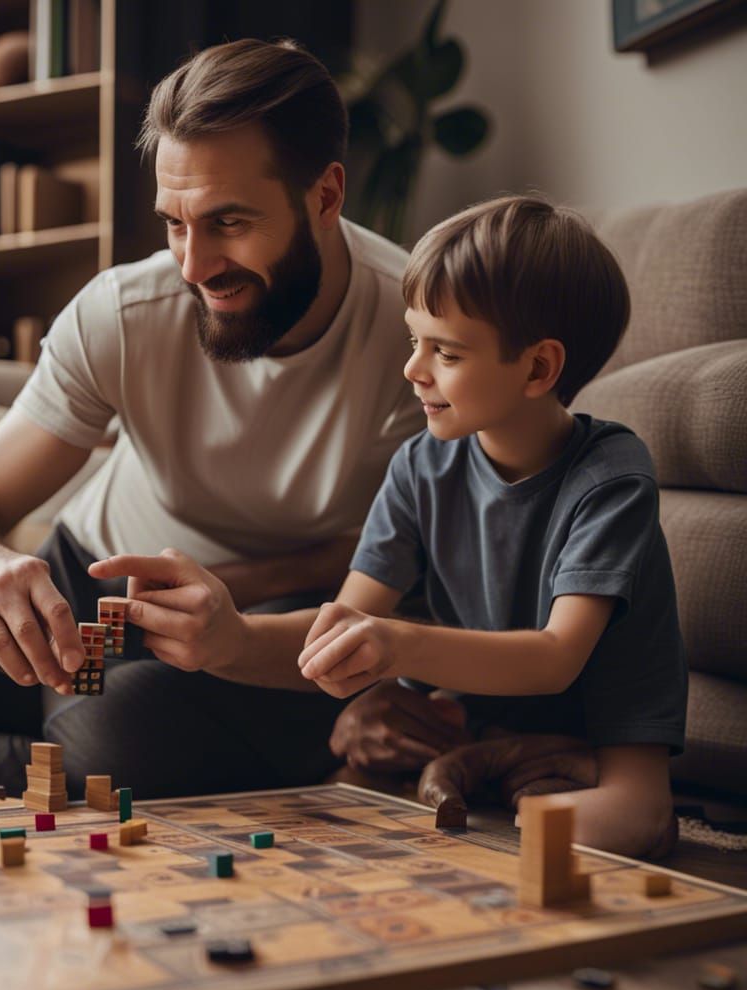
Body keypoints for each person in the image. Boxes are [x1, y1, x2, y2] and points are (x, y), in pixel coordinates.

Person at [0, 39, 425, 796]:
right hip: (85, 585)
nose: (193, 268)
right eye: (174, 223)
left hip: (269, 630)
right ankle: (48, 773)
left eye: (228, 222)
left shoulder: (421, 334)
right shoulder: (127, 310)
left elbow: (413, 558)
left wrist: (245, 581)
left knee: (116, 740)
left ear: (325, 197)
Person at [91, 196, 687, 857]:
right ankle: (500, 763)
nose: (413, 369)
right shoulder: (421, 465)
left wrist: (397, 646)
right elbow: (344, 623)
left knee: (575, 831)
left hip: (613, 736)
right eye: (414, 341)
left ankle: (538, 770)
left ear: (539, 368)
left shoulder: (610, 474)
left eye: (446, 352)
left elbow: (557, 657)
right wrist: (228, 635)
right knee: (340, 812)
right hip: (476, 726)